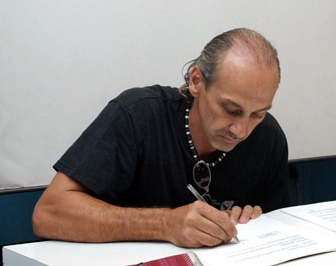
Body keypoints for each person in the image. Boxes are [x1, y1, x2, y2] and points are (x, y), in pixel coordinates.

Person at [32, 28, 290, 248]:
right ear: (197, 81)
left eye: (257, 114)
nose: (241, 130)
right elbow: (48, 213)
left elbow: (278, 225)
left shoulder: (268, 137)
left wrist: (252, 219)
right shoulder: (137, 115)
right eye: (230, 110)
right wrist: (164, 225)